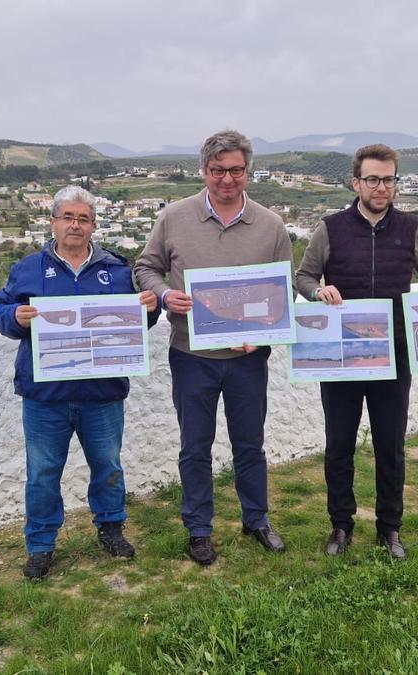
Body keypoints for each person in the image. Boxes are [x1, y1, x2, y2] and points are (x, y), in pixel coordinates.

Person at [294, 144, 418, 559]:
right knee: (339, 445)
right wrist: (318, 292)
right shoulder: (330, 228)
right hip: (341, 355)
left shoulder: (411, 227)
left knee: (391, 446)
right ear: (356, 183)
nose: (381, 187)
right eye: (372, 179)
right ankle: (341, 525)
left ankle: (390, 528)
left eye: (388, 179)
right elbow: (303, 277)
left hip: (394, 354)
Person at [133, 129, 292, 566]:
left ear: (248, 171)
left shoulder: (271, 225)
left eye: (236, 170)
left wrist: (264, 333)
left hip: (248, 358)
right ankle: (198, 529)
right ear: (204, 170)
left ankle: (256, 519)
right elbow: (146, 267)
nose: (227, 179)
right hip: (191, 356)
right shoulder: (173, 217)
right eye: (218, 170)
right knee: (195, 447)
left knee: (250, 444)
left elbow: (282, 291)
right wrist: (165, 294)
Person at [0, 185, 160, 579]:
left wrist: (150, 310)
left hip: (102, 394)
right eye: (67, 217)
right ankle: (41, 545)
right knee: (43, 473)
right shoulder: (28, 268)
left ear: (93, 226)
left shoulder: (116, 270)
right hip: (45, 396)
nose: (75, 225)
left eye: (83, 219)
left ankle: (111, 529)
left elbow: (135, 323)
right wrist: (14, 317)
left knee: (108, 467)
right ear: (52, 222)